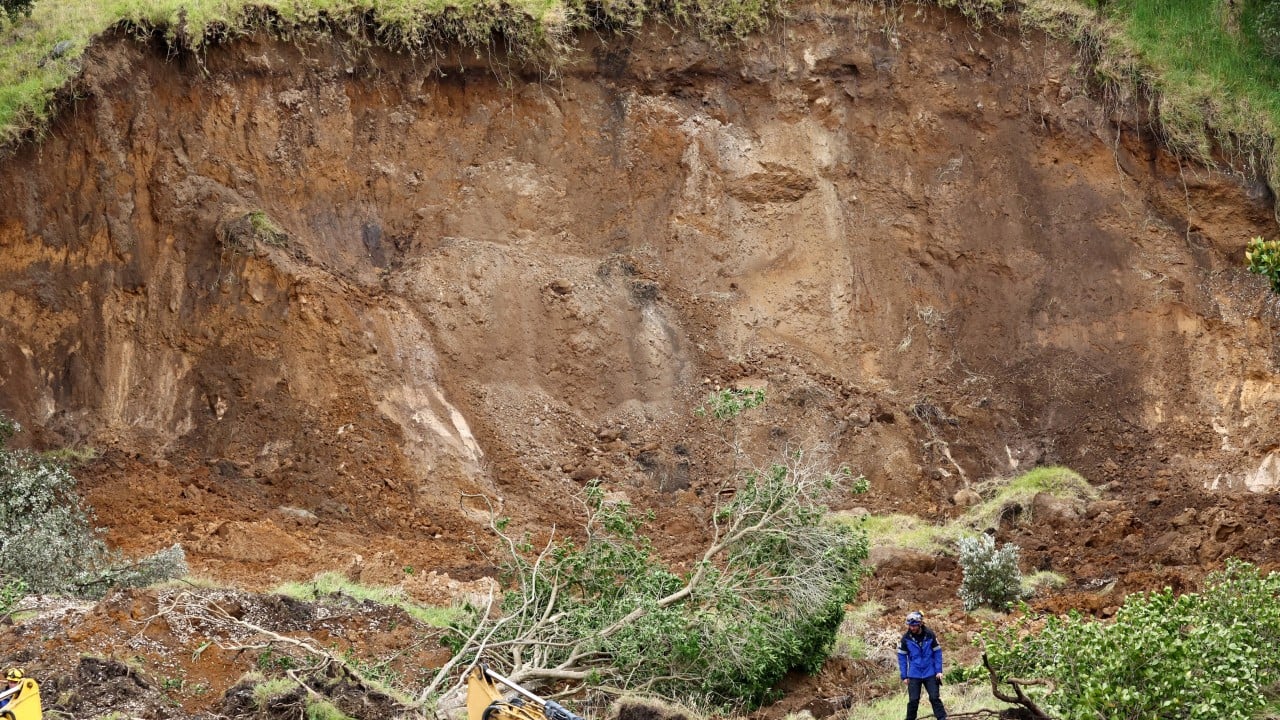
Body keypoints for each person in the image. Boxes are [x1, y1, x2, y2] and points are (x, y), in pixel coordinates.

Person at [897, 611, 948, 720]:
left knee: (934, 698)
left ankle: (942, 718)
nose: (912, 628)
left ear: (920, 623)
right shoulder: (906, 639)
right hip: (914, 674)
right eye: (910, 625)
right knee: (913, 700)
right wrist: (904, 675)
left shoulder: (930, 634)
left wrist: (939, 670)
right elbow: (902, 657)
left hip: (930, 672)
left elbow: (937, 652)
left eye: (914, 625)